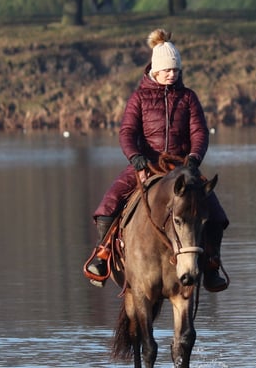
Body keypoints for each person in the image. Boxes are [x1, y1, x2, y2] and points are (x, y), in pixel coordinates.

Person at [84, 28, 229, 292]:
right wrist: (136, 158)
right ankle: (102, 255)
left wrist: (194, 158)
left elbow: (199, 132)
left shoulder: (188, 98)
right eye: (167, 70)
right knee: (108, 205)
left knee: (216, 215)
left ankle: (211, 265)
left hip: (183, 167)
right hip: (146, 165)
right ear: (155, 71)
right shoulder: (138, 98)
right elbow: (127, 132)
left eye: (176, 70)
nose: (172, 74)